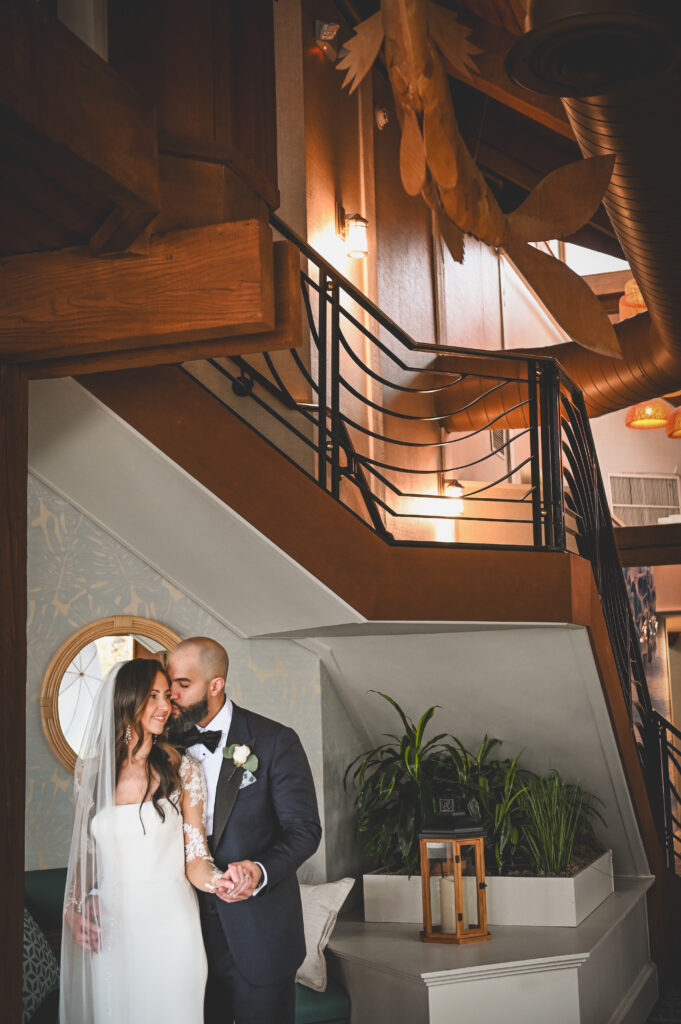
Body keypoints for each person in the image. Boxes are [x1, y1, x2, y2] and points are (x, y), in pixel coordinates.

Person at [60, 658, 233, 1024]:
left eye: (167, 696)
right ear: (127, 699)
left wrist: (222, 882)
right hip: (113, 927)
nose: (164, 706)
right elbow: (88, 856)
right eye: (152, 695)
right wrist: (73, 909)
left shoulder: (183, 768)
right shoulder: (90, 774)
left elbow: (196, 858)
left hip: (173, 925)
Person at [167, 636, 322, 1024]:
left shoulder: (274, 741)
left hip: (261, 935)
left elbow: (304, 829)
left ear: (215, 685)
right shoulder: (162, 746)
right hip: (184, 939)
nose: (172, 695)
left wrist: (260, 869)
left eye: (183, 685)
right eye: (170, 684)